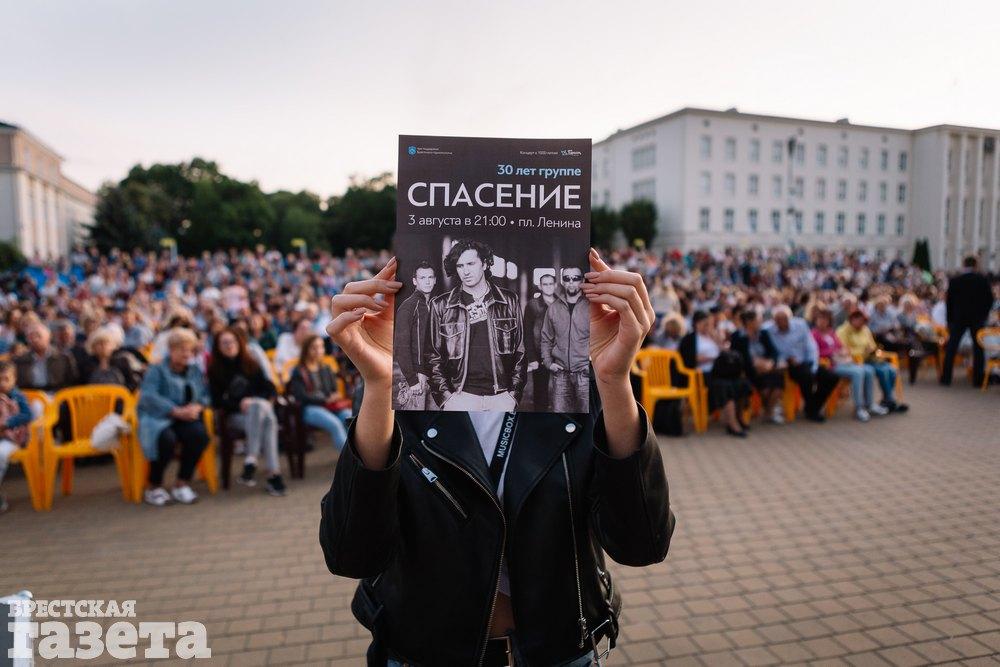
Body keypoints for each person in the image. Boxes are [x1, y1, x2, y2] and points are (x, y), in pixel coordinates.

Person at [321, 251, 674, 666]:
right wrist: (382, 384)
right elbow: (351, 553)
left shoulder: (575, 388)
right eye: (459, 266)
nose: (466, 272)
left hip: (559, 650)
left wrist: (615, 380)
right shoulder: (399, 388)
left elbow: (641, 544)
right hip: (424, 652)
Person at [428, 240, 526, 411]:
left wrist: (513, 394)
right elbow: (432, 356)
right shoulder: (441, 305)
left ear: (485, 264)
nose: (465, 271)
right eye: (460, 266)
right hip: (459, 397)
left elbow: (520, 350)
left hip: (501, 397)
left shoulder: (509, 300)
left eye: (471, 264)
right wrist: (446, 397)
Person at [207, 327, 286, 496]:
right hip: (235, 417)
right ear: (218, 347)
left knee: (260, 409)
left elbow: (269, 389)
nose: (229, 345)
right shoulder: (215, 370)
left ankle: (252, 459)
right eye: (224, 343)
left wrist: (253, 401)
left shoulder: (251, 363)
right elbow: (217, 402)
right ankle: (274, 475)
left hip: (258, 413)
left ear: (239, 343)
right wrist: (239, 404)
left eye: (232, 341)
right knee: (268, 419)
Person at [137, 328, 211, 506]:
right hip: (158, 416)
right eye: (181, 349)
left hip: (185, 417)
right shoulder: (156, 369)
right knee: (165, 439)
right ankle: (154, 486)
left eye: (189, 350)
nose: (186, 354)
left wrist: (198, 406)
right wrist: (175, 411)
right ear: (171, 350)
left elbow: (205, 395)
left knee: (199, 436)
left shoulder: (194, 370)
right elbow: (148, 396)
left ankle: (181, 483)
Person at [680, 310, 750, 437]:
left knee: (742, 383)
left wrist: (717, 340)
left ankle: (738, 417)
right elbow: (689, 359)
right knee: (724, 386)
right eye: (705, 324)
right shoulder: (689, 339)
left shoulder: (714, 336)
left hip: (721, 371)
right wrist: (713, 358)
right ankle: (732, 424)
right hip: (702, 374)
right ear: (696, 324)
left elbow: (725, 352)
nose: (708, 327)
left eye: (710, 324)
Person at [763, 305, 838, 422]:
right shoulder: (767, 330)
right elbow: (768, 351)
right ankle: (812, 411)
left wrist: (813, 366)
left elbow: (811, 347)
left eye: (784, 319)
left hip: (805, 362)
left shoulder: (800, 325)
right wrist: (785, 359)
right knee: (806, 377)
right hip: (785, 365)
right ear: (774, 320)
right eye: (778, 320)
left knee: (831, 377)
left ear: (790, 318)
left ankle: (812, 406)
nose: (781, 322)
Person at [811, 308, 887, 422]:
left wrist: (844, 351)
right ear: (816, 320)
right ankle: (859, 408)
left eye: (825, 319)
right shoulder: (814, 334)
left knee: (869, 370)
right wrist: (832, 352)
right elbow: (814, 352)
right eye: (820, 319)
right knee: (858, 372)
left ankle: (870, 404)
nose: (823, 322)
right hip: (829, 365)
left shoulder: (831, 332)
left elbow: (840, 346)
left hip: (843, 361)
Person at [837, 310, 909, 413]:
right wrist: (862, 351)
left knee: (892, 370)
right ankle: (889, 401)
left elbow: (872, 345)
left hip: (869, 358)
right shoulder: (842, 331)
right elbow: (843, 350)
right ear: (853, 319)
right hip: (855, 361)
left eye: (864, 322)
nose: (862, 324)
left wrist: (871, 349)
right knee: (883, 372)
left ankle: (887, 399)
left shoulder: (865, 329)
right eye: (860, 321)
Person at [540, 267, 591, 413]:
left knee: (587, 418)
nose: (571, 282)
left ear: (582, 280)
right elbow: (546, 338)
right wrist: (548, 363)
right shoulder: (553, 308)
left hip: (585, 373)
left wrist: (592, 363)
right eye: (567, 278)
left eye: (576, 278)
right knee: (560, 418)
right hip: (560, 374)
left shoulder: (592, 306)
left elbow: (601, 339)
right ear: (562, 281)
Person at [287, 334, 349, 451]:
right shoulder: (298, 371)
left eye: (321, 347)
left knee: (350, 417)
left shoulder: (326, 368)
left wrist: (335, 396)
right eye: (314, 347)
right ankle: (348, 458)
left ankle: (358, 454)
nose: (319, 351)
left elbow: (334, 390)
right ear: (306, 350)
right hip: (310, 408)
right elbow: (301, 396)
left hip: (330, 406)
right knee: (335, 424)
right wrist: (325, 400)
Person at [940, 255, 994, 386]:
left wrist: (949, 320)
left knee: (952, 348)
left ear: (964, 264)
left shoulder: (955, 280)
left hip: (959, 318)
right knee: (978, 349)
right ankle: (978, 380)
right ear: (976, 265)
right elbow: (990, 300)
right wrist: (983, 315)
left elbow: (949, 302)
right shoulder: (982, 279)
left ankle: (946, 378)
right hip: (977, 318)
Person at [394, 261, 437, 410]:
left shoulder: (432, 305)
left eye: (430, 277)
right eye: (422, 278)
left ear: (435, 280)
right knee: (414, 420)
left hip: (433, 377)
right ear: (414, 281)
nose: (427, 281)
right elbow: (401, 346)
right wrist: (412, 380)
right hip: (415, 380)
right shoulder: (408, 306)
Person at [730, 310, 785, 424]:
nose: (760, 323)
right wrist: (754, 365)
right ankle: (769, 412)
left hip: (767, 367)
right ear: (749, 322)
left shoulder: (763, 334)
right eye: (757, 321)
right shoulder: (737, 336)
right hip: (749, 370)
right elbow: (737, 357)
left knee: (778, 385)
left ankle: (768, 412)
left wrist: (770, 362)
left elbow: (774, 351)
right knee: (765, 390)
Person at [0, 361, 33, 514]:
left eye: (6, 379)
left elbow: (27, 415)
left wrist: (7, 423)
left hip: (11, 439)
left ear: (14, 379)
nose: (2, 383)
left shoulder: (18, 397)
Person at [522, 272, 557, 411]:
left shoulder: (562, 303)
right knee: (540, 391)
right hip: (539, 353)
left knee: (561, 391)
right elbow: (527, 333)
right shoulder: (532, 305)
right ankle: (541, 415)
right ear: (540, 286)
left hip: (559, 353)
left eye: (550, 284)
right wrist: (531, 358)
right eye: (545, 284)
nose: (548, 287)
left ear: (555, 285)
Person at [14, 321, 79, 392]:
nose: (34, 339)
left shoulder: (63, 357)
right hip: (30, 394)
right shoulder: (20, 360)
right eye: (30, 337)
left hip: (57, 393)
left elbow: (72, 381)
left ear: (49, 336)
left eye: (38, 335)